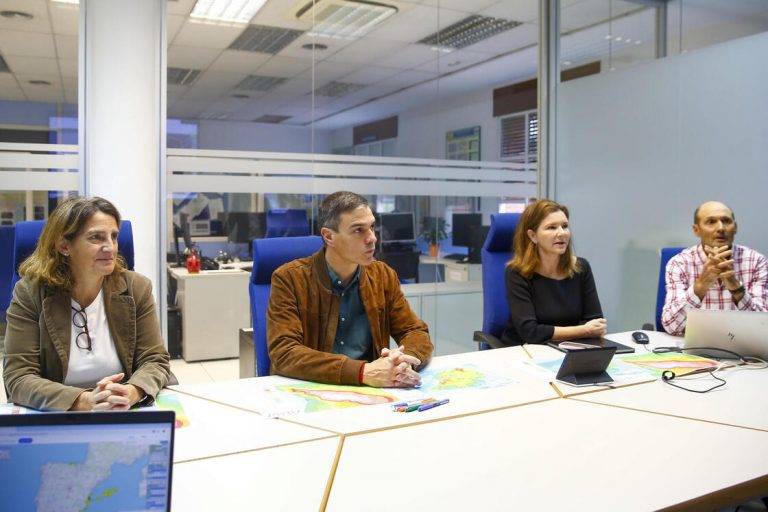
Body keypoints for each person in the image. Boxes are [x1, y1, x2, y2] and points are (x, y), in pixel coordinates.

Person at [4, 197, 170, 411]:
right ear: (64, 245)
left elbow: (155, 359)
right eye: (96, 238)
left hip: (121, 409)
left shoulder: (137, 288)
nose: (110, 247)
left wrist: (132, 391)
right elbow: (18, 377)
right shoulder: (30, 292)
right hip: (62, 414)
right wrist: (82, 401)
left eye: (114, 236)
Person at [267, 191, 433, 387]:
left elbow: (414, 331)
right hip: (313, 389)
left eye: (372, 227)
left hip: (372, 391)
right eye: (358, 230)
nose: (372, 238)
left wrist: (404, 361)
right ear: (329, 236)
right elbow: (285, 352)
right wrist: (362, 372)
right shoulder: (290, 279)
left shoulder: (382, 276)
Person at [501, 199, 606, 345]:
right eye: (551, 227)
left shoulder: (581, 267)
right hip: (525, 352)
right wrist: (584, 330)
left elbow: (596, 322)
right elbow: (530, 332)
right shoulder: (517, 272)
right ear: (533, 236)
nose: (561, 233)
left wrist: (585, 330)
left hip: (572, 348)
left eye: (565, 226)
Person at [661, 201, 768, 335]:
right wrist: (700, 285)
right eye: (711, 222)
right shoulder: (679, 263)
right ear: (696, 230)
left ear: (735, 227)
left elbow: (764, 329)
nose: (721, 228)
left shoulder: (756, 261)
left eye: (726, 221)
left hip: (743, 348)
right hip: (693, 349)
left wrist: (736, 287)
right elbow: (671, 326)